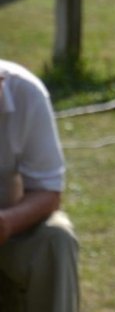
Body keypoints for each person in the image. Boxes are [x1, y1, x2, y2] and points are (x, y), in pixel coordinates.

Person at [0, 59, 80, 312]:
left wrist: (6, 223)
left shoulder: (26, 92)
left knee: (56, 238)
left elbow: (48, 192)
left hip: (9, 230)